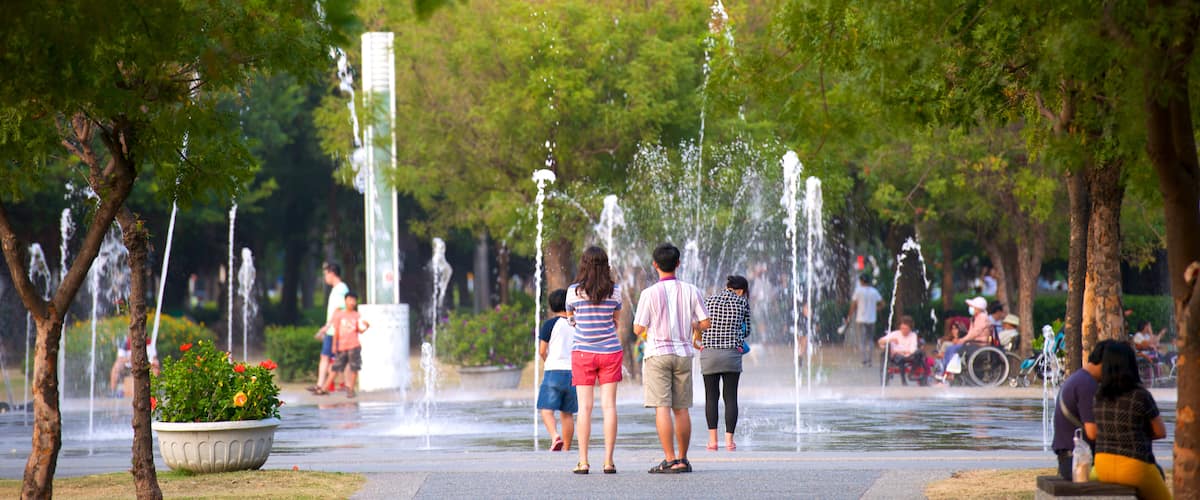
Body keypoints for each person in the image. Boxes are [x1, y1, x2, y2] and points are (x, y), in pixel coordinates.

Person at [635, 243, 710, 474]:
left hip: (657, 354)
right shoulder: (691, 290)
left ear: (654, 265)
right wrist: (694, 326)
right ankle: (683, 458)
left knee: (662, 408)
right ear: (678, 264)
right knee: (681, 409)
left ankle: (669, 460)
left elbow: (638, 328)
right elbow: (706, 322)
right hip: (683, 355)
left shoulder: (648, 294)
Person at [1087, 342, 1171, 500]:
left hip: (1102, 465)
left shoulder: (1098, 396)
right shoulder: (1140, 395)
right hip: (1134, 467)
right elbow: (1160, 432)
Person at [566, 246, 623, 475]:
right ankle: (608, 461)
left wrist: (577, 320)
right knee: (609, 406)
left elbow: (571, 320)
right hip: (610, 352)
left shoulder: (573, 292)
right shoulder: (615, 291)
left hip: (582, 353)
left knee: (585, 408)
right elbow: (616, 321)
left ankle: (583, 461)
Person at [697, 275, 750, 452]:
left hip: (709, 354)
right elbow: (747, 330)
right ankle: (729, 442)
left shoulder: (708, 300)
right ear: (741, 291)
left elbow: (700, 324)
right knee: (730, 397)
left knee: (711, 397)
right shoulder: (742, 303)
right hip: (731, 355)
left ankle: (712, 442)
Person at [1051, 340, 1111, 480]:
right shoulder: (1087, 385)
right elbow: (1092, 432)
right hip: (1079, 463)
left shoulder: (1079, 378)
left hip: (1069, 460)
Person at [538, 289, 577, 452]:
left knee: (546, 410)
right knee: (567, 413)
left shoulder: (549, 324)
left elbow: (542, 350)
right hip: (574, 373)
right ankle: (567, 449)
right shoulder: (576, 324)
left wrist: (549, 362)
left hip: (554, 370)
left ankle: (555, 437)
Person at [311, 262, 349, 394]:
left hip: (335, 330)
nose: (325, 277)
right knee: (330, 358)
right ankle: (326, 385)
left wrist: (327, 326)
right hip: (333, 330)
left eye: (325, 274)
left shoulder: (340, 289)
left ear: (332, 273)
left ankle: (323, 385)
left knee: (328, 358)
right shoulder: (338, 288)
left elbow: (338, 310)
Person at [322, 291, 369, 398]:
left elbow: (359, 330)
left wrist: (366, 327)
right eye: (350, 300)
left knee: (354, 367)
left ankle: (351, 389)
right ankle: (325, 388)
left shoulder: (357, 315)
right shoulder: (340, 315)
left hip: (354, 345)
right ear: (345, 300)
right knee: (336, 368)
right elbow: (336, 331)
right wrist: (334, 345)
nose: (352, 302)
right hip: (342, 346)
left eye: (354, 300)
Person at [939, 297, 991, 384]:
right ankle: (946, 373)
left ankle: (949, 374)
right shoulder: (975, 318)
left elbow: (975, 332)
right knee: (950, 349)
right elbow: (970, 333)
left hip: (979, 344)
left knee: (952, 349)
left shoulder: (982, 317)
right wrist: (961, 340)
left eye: (972, 306)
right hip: (972, 343)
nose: (970, 308)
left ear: (978, 308)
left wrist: (962, 340)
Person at [845, 274, 883, 367]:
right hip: (871, 319)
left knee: (861, 340)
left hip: (861, 319)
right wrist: (876, 309)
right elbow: (882, 303)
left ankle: (863, 360)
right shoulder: (874, 291)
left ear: (861, 281)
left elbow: (853, 305)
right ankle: (870, 360)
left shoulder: (858, 291)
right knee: (870, 340)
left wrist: (849, 317)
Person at [877, 315, 927, 385]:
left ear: (910, 328)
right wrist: (891, 340)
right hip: (897, 356)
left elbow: (912, 349)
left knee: (920, 353)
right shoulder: (895, 334)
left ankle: (911, 373)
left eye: (906, 329)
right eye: (902, 328)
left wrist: (902, 351)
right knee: (900, 357)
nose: (904, 330)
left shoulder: (913, 335)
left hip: (909, 355)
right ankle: (903, 380)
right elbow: (880, 341)